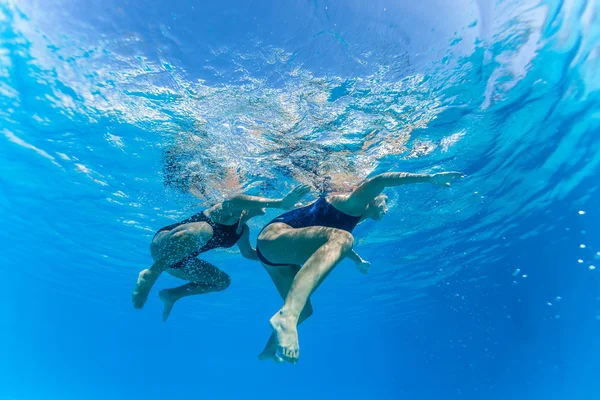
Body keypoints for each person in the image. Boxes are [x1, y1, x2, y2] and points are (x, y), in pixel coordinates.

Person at [255, 171, 463, 363]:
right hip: (274, 238)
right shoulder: (353, 202)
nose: (387, 206)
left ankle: (268, 351)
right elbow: (381, 180)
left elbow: (328, 243)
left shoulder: (351, 217)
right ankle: (287, 316)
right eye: (385, 200)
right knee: (344, 239)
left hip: (276, 257)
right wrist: (430, 178)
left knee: (306, 310)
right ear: (372, 198)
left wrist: (357, 260)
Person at [132, 184, 311, 321]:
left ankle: (172, 294)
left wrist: (286, 256)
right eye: (257, 199)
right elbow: (236, 200)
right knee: (204, 229)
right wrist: (279, 203)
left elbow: (248, 253)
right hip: (163, 245)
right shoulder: (223, 210)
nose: (261, 202)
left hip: (176, 262)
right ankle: (151, 273)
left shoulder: (243, 230)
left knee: (222, 282)